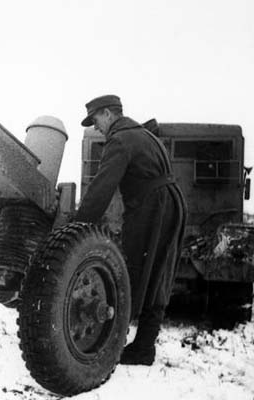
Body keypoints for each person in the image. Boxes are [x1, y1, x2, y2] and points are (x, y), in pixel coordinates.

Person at [74, 95, 186, 365]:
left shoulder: (120, 139)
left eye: (96, 120)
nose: (96, 127)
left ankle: (113, 344)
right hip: (172, 203)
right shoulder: (145, 135)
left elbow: (103, 186)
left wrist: (78, 224)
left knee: (131, 271)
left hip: (153, 207)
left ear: (109, 114)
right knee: (158, 274)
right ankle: (144, 348)